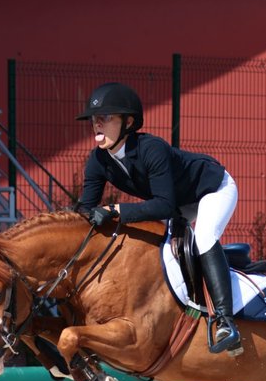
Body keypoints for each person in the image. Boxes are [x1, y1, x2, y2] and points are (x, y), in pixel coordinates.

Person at [75, 82, 242, 355]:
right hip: (177, 203)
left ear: (128, 122)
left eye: (105, 118)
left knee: (204, 237)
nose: (97, 125)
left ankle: (225, 321)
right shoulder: (98, 160)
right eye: (94, 119)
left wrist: (115, 212)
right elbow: (85, 208)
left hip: (211, 189)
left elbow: (163, 205)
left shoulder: (152, 149)